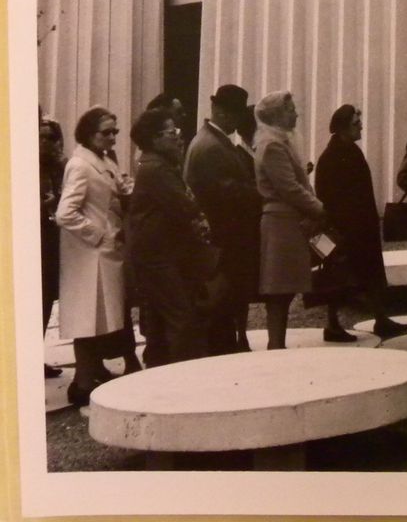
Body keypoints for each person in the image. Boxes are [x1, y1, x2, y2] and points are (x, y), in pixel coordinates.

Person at [55, 107, 142, 407]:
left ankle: (91, 374)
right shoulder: (80, 165)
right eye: (106, 132)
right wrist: (98, 234)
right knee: (86, 318)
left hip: (106, 254)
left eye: (115, 131)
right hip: (89, 255)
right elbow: (65, 213)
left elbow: (114, 191)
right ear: (88, 133)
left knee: (101, 318)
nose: (112, 137)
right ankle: (81, 384)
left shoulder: (104, 160)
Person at [127, 108, 220, 366]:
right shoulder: (156, 168)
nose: (179, 137)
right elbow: (185, 206)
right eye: (173, 132)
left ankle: (158, 368)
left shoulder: (156, 163)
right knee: (181, 316)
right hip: (157, 257)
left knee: (159, 316)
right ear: (155, 138)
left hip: (156, 254)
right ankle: (184, 373)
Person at [313, 105, 407, 342]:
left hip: (360, 226)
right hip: (346, 229)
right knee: (338, 276)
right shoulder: (332, 157)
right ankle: (333, 324)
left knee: (370, 273)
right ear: (344, 127)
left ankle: (380, 318)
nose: (361, 126)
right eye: (356, 123)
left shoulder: (350, 151)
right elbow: (327, 195)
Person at [185, 84, 262, 354]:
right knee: (222, 301)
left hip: (224, 236)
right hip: (224, 238)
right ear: (223, 113)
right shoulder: (211, 146)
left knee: (227, 301)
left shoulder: (212, 140)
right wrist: (261, 191)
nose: (240, 120)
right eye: (237, 114)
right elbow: (226, 192)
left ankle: (227, 345)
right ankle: (223, 350)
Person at [253, 91, 325, 350]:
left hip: (286, 221)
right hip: (281, 223)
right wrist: (319, 209)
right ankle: (276, 345)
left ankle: (277, 343)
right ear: (276, 115)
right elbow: (289, 188)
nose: (296, 113)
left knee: (283, 289)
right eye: (290, 109)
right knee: (279, 290)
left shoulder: (277, 142)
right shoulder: (272, 145)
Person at [39, 115, 66, 379]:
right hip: (34, 240)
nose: (45, 142)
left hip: (51, 242)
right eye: (41, 137)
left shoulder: (60, 167)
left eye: (51, 137)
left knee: (46, 300)